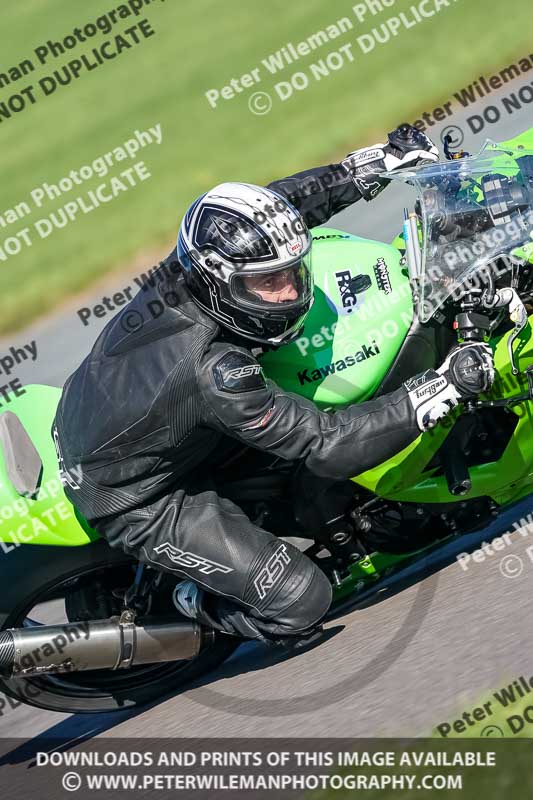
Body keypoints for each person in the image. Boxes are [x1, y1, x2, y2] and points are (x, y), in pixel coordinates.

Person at [52, 124, 494, 647]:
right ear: (221, 280)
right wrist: (442, 387)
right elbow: (327, 445)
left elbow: (284, 203)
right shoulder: (217, 372)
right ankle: (190, 602)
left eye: (289, 271)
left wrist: (370, 166)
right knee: (300, 602)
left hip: (125, 417)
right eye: (268, 282)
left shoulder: (194, 263)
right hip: (140, 498)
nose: (288, 290)